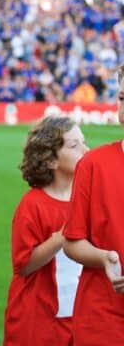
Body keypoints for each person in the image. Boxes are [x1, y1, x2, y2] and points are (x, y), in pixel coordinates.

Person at [3, 116, 88, 345]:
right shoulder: (33, 205)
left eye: (83, 141)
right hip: (37, 320)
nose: (86, 150)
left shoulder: (87, 198)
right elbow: (24, 265)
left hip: (79, 316)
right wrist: (61, 237)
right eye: (74, 145)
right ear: (50, 160)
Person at [63, 65, 124, 345]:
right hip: (102, 318)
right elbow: (73, 242)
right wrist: (103, 258)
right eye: (122, 98)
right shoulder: (92, 164)